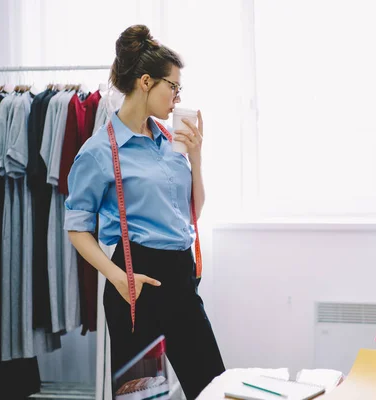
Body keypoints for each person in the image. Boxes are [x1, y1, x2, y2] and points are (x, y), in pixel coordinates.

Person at [64, 25, 225, 399]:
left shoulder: (171, 141)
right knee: (142, 396)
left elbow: (192, 213)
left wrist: (197, 157)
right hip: (136, 280)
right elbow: (77, 227)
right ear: (146, 82)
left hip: (181, 279)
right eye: (174, 86)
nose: (177, 96)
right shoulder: (100, 151)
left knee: (212, 388)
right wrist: (119, 278)